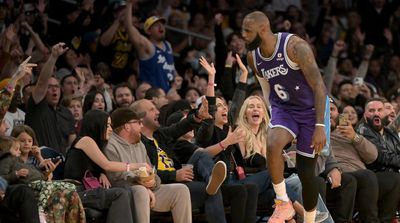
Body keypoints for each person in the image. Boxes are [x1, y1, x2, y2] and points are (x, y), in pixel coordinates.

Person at [242, 11, 329, 223]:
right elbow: (265, 88)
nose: (243, 35)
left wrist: (320, 125)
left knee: (306, 174)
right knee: (272, 143)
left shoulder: (295, 47)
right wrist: (275, 117)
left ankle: (309, 219)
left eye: (247, 31)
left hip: (310, 112)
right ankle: (283, 203)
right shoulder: (253, 57)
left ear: (262, 30)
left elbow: (319, 86)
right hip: (284, 108)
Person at [105, 107, 192, 223]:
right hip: (126, 193)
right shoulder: (110, 145)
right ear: (127, 126)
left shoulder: (139, 144)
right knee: (140, 191)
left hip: (148, 190)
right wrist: (143, 185)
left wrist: (153, 182)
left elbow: (152, 171)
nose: (141, 126)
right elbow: (115, 179)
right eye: (138, 123)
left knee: (181, 190)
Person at [330, 98, 400, 222]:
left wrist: (354, 137)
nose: (329, 113)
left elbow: (372, 155)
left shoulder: (350, 131)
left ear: (339, 114)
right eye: (326, 110)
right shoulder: (314, 131)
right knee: (367, 175)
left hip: (363, 174)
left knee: (394, 179)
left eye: (332, 109)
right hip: (342, 174)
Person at [24, 43, 76, 155]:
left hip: (61, 164)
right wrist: (53, 56)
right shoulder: (37, 105)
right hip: (39, 162)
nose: (54, 90)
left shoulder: (66, 113)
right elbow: (42, 82)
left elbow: (72, 142)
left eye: (56, 87)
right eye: (50, 87)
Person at [123, 0, 178, 93]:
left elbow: (171, 68)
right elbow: (129, 28)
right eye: (156, 25)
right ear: (148, 31)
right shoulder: (147, 46)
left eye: (162, 24)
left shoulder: (168, 45)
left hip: (168, 94)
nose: (161, 27)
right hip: (153, 95)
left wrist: (177, 78)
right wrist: (129, 4)